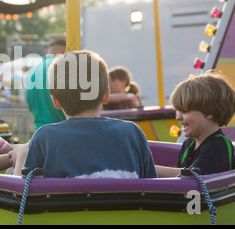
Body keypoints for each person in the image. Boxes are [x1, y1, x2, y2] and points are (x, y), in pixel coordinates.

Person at [19, 50, 157, 179]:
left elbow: (28, 190)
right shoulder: (132, 133)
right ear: (106, 95)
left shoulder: (44, 138)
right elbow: (151, 184)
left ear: (55, 101)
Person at [155, 70, 235, 177]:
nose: (178, 117)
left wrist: (149, 169)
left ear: (209, 111)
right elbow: (178, 182)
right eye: (177, 111)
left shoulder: (217, 146)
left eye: (184, 111)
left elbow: (193, 177)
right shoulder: (189, 144)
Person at [26, 39, 66, 130]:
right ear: (63, 50)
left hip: (40, 131)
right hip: (64, 131)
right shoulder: (62, 66)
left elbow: (30, 106)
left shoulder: (32, 71)